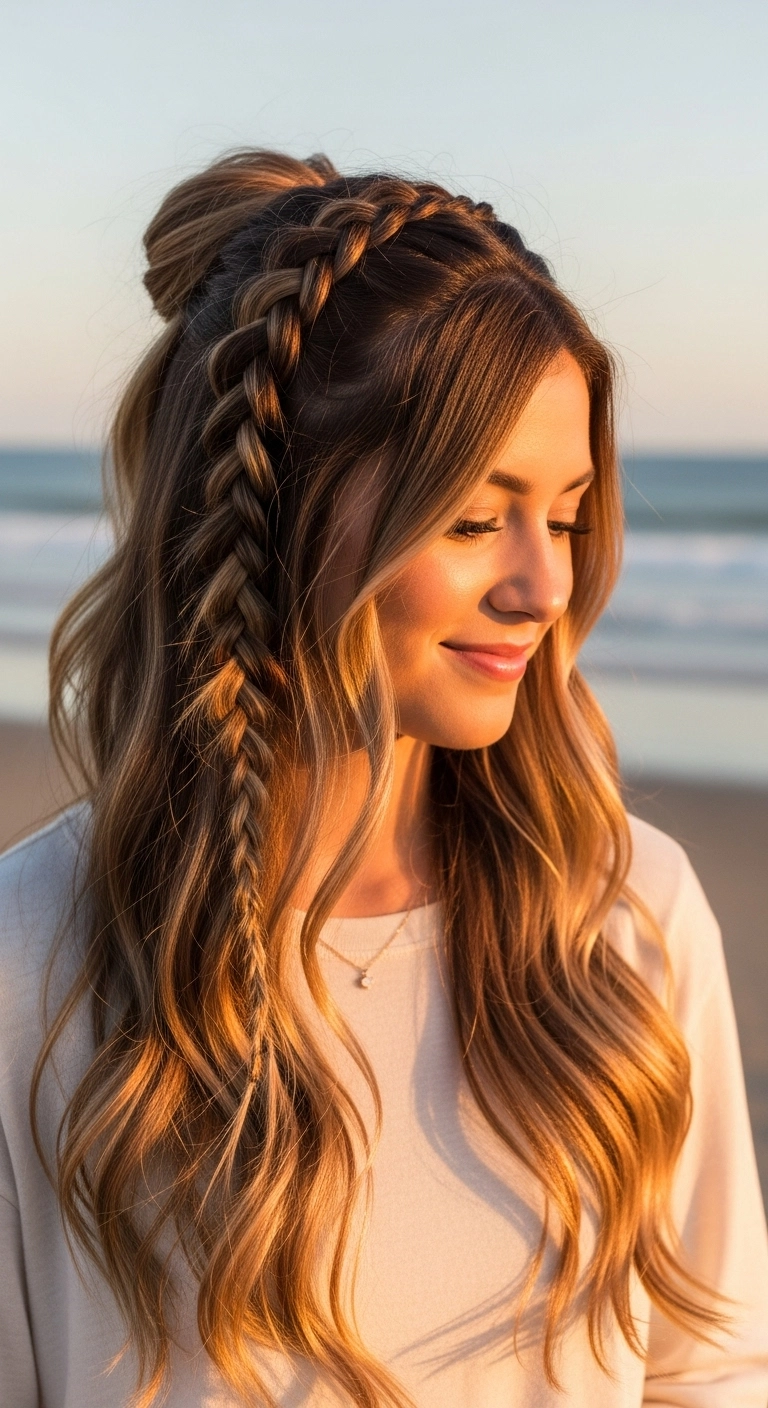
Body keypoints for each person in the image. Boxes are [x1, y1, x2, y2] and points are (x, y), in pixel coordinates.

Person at [0, 150, 766, 1408]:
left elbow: (717, 1371)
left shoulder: (627, 918)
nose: (544, 586)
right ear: (279, 509)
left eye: (564, 515)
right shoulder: (37, 956)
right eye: (476, 518)